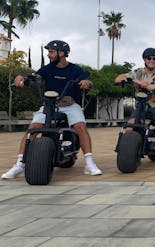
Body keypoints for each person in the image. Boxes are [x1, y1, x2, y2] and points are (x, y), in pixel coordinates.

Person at [2, 40, 102, 179]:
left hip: (70, 105)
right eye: (48, 52)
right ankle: (20, 164)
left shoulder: (75, 69)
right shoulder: (47, 69)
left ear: (61, 53)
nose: (48, 55)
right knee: (33, 129)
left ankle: (89, 164)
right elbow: (34, 77)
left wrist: (86, 83)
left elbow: (87, 81)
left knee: (80, 126)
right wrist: (22, 78)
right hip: (49, 105)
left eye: (51, 52)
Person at [114, 47, 155, 166]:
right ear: (144, 59)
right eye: (149, 58)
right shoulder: (137, 72)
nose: (152, 60)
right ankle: (127, 154)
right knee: (129, 128)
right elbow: (118, 78)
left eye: (154, 58)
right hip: (140, 105)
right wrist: (136, 82)